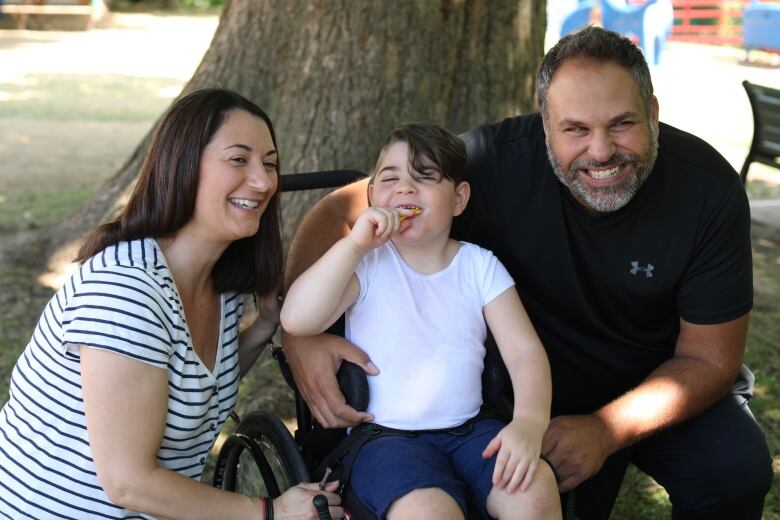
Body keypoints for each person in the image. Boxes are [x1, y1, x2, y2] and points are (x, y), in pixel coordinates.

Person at [281, 27, 773, 519]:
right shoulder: (497, 160)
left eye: (621, 124)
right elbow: (340, 209)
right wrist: (302, 337)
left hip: (656, 386)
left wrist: (606, 430)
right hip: (533, 392)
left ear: (654, 115)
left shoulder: (707, 191)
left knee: (735, 469)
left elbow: (709, 360)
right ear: (545, 126)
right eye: (575, 129)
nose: (600, 151)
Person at [0, 88, 343, 520]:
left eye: (270, 163)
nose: (263, 181)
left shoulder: (222, 285)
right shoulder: (126, 290)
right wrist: (270, 512)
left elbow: (191, 386)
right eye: (239, 160)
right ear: (182, 167)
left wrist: (262, 327)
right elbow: (128, 481)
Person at [281, 123, 561, 520]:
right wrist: (354, 244)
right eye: (390, 178)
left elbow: (525, 353)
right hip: (384, 440)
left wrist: (530, 422)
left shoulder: (479, 267)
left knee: (533, 491)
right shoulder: (366, 265)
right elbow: (297, 319)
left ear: (459, 199)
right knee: (428, 511)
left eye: (424, 177)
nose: (405, 189)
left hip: (471, 430)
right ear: (373, 196)